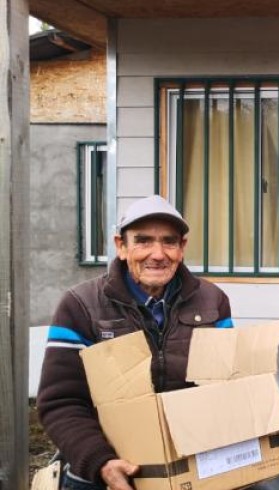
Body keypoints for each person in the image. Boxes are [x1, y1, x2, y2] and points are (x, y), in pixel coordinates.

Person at [37, 195, 233, 490]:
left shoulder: (213, 302)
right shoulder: (80, 305)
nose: (157, 254)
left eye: (169, 241)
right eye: (143, 241)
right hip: (105, 471)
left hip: (190, 469)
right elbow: (61, 401)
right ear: (121, 246)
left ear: (182, 248)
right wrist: (100, 461)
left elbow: (228, 386)